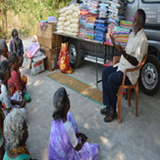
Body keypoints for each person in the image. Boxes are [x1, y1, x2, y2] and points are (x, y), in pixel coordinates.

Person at [101, 9, 148, 122]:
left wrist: (124, 54)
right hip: (121, 67)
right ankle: (109, 106)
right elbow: (125, 53)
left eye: (135, 20)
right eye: (133, 19)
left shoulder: (143, 40)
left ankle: (113, 112)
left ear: (140, 24)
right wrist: (117, 48)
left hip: (130, 73)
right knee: (105, 72)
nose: (133, 21)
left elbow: (136, 62)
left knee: (111, 79)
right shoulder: (132, 34)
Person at [48, 87, 99, 160]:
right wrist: (82, 142)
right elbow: (77, 148)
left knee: (69, 115)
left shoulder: (55, 119)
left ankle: (74, 138)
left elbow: (63, 135)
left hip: (53, 157)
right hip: (66, 157)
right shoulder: (68, 126)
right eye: (67, 97)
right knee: (95, 148)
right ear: (66, 103)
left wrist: (77, 134)